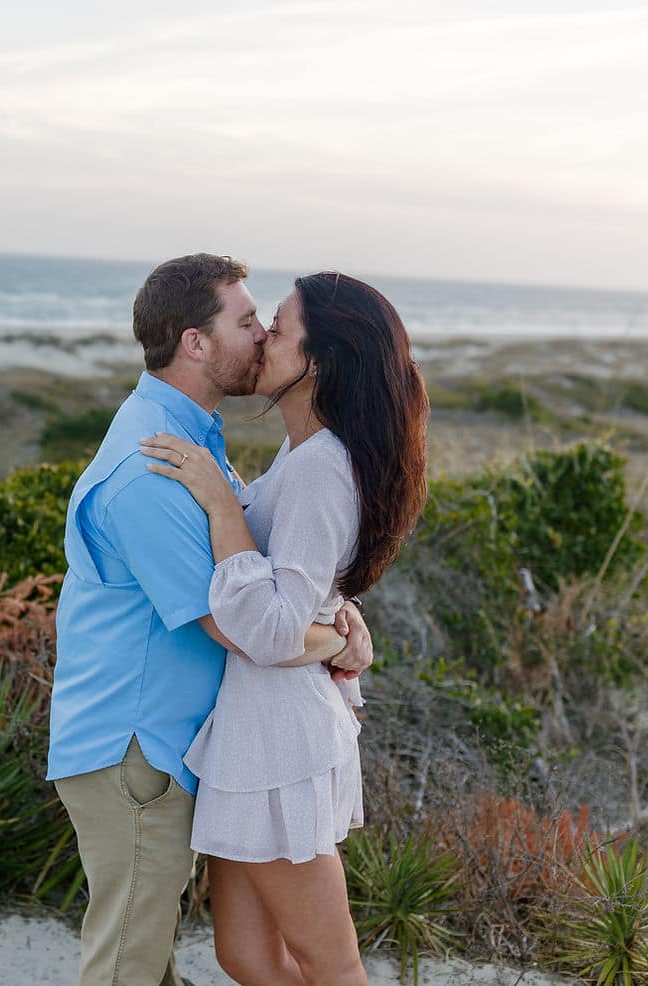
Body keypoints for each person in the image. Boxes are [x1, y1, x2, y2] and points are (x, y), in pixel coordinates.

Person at [47, 254, 374, 986]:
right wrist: (335, 639)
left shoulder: (193, 439)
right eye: (247, 320)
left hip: (177, 745)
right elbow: (238, 627)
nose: (261, 335)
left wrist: (336, 611)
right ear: (195, 343)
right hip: (137, 749)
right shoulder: (153, 467)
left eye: (269, 322)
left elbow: (266, 573)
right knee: (126, 966)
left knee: (150, 959)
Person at [138, 271, 430, 986]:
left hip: (280, 741)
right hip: (254, 731)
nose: (263, 338)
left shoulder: (321, 468)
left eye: (278, 327)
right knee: (246, 957)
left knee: (334, 967)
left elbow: (270, 630)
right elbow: (304, 586)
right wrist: (338, 625)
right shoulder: (303, 453)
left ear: (320, 361)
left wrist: (222, 506)